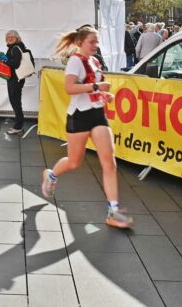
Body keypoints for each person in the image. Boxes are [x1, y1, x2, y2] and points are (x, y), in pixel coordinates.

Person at [41, 24, 134, 229]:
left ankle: (113, 211)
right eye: (92, 42)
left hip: (98, 115)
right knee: (74, 162)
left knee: (109, 162)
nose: (96, 45)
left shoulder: (94, 61)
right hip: (79, 116)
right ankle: (51, 175)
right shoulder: (75, 60)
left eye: (97, 41)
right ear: (80, 42)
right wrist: (96, 87)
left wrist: (104, 95)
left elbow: (95, 88)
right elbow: (70, 88)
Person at [0, 30, 33, 135]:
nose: (9, 38)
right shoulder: (16, 47)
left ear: (17, 38)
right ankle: (19, 125)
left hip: (15, 79)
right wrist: (5, 58)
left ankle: (18, 126)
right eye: (8, 37)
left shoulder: (16, 48)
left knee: (16, 103)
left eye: (12, 37)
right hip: (16, 79)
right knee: (16, 102)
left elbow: (16, 64)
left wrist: (4, 60)